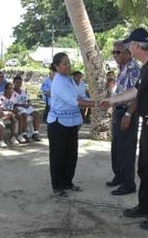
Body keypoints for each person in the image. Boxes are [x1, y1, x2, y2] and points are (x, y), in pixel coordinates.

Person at [100, 28, 148, 231]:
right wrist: (112, 100)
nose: (126, 49)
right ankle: (147, 206)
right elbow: (136, 90)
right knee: (144, 167)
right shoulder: (146, 67)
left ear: (136, 46)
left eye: (128, 46)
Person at [47, 52, 97, 197]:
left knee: (71, 155)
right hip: (58, 124)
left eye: (68, 62)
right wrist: (98, 104)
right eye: (64, 64)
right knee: (58, 156)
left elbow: (79, 97)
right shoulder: (57, 82)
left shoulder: (68, 79)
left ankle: (68, 182)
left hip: (71, 122)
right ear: (56, 66)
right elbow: (76, 102)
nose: (68, 66)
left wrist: (93, 101)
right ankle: (58, 186)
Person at [106, 41, 140, 196]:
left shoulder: (134, 69)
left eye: (118, 52)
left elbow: (138, 95)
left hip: (128, 111)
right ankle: (119, 176)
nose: (115, 55)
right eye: (114, 52)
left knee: (126, 149)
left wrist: (128, 114)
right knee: (117, 147)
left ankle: (128, 183)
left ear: (128, 53)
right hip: (119, 110)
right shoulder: (122, 69)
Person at [13, 76, 41, 142]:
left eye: (20, 83)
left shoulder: (23, 92)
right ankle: (24, 133)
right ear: (13, 83)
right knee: (25, 115)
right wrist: (22, 105)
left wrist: (29, 103)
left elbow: (28, 100)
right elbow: (13, 104)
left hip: (25, 106)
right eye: (17, 82)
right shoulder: (12, 92)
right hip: (18, 107)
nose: (18, 84)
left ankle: (36, 133)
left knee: (36, 114)